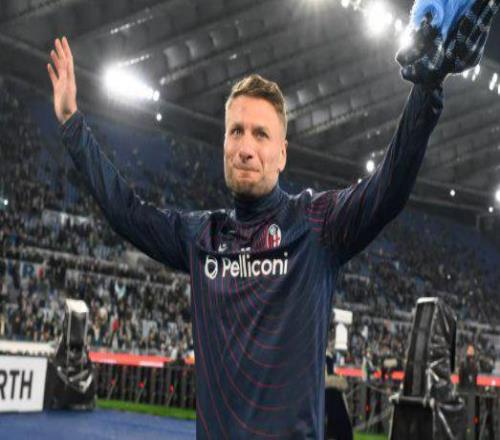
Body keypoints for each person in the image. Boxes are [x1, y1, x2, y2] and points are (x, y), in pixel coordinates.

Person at [46, 10, 488, 433]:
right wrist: (71, 123)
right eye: (236, 131)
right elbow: (126, 212)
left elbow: (389, 187)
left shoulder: (317, 225)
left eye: (261, 135)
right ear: (223, 144)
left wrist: (427, 89)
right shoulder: (200, 236)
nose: (246, 148)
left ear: (282, 154)